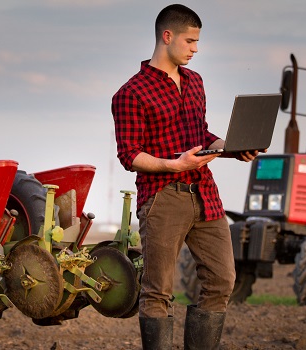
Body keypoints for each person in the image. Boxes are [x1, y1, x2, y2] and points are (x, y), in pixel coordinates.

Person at [111, 4, 259, 349]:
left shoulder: (195, 82)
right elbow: (130, 155)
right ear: (167, 36)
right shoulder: (130, 93)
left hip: (205, 192)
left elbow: (201, 135)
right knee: (158, 291)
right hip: (163, 198)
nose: (195, 48)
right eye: (190, 41)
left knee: (222, 280)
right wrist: (174, 165)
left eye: (197, 41)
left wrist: (231, 147)